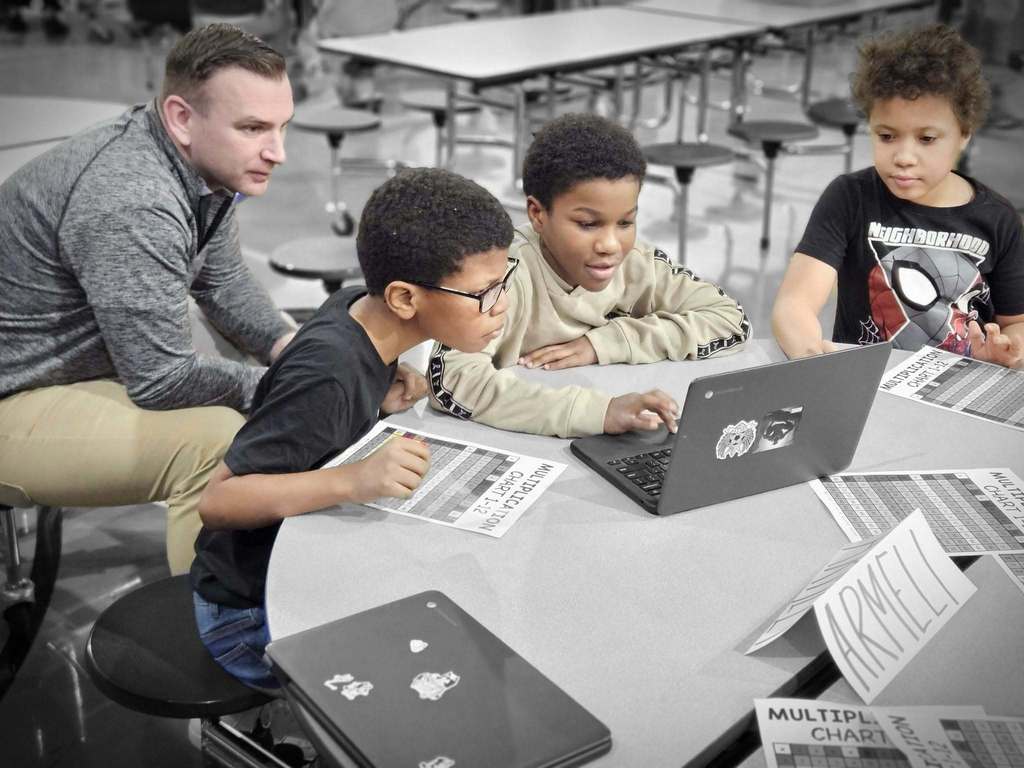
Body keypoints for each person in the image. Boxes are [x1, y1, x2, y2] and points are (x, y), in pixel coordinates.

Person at [189, 167, 516, 691]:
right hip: (248, 615)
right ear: (405, 299)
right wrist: (354, 480)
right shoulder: (328, 375)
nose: (499, 306)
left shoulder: (354, 309)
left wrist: (380, 391)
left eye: (504, 281)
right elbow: (219, 502)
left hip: (297, 571)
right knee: (440, 676)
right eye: (482, 293)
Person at [0, 24, 297, 575]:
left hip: (65, 366)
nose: (277, 151)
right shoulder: (132, 199)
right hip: (15, 392)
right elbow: (161, 381)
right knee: (213, 444)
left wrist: (291, 349)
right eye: (254, 128)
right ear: (183, 117)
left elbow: (223, 281)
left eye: (283, 126)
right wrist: (295, 384)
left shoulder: (203, 165)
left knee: (255, 364)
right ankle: (209, 634)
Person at [428, 113, 751, 439]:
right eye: (587, 224)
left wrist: (608, 343)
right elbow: (450, 377)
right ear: (537, 214)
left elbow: (731, 320)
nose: (610, 245)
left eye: (625, 223)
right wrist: (597, 412)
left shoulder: (635, 262)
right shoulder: (503, 276)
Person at [772, 23, 1024, 369]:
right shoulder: (849, 197)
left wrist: (1010, 348)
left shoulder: (999, 218)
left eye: (927, 139)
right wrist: (811, 358)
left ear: (964, 134)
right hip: (865, 385)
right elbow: (794, 304)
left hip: (957, 388)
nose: (904, 156)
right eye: (887, 136)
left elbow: (1016, 322)